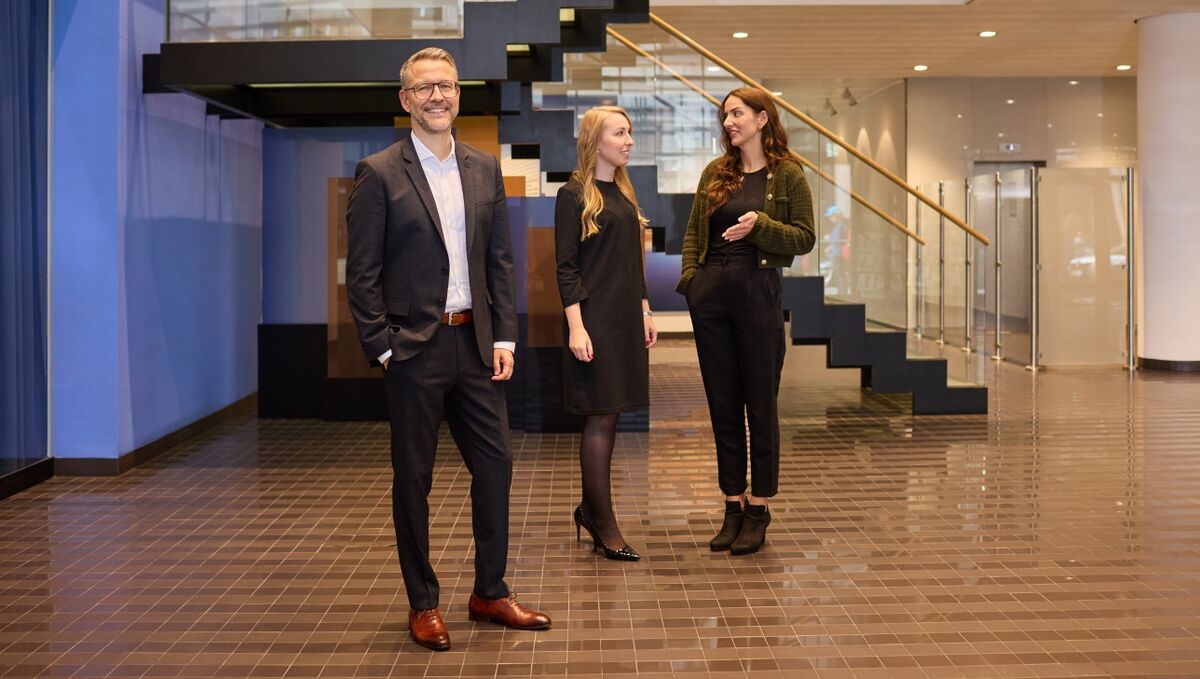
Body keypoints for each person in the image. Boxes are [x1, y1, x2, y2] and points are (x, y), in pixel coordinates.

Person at [345, 47, 550, 652]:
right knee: (414, 478)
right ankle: (423, 603)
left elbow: (500, 260)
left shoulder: (484, 168)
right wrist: (383, 348)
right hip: (414, 351)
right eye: (426, 87)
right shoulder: (379, 172)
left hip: (478, 344)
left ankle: (490, 592)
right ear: (405, 99)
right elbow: (362, 275)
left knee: (496, 467)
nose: (439, 96)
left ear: (460, 95)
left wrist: (505, 334)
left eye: (449, 86)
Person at [675, 87, 815, 556]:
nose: (729, 122)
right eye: (725, 115)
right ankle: (732, 505)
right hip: (711, 296)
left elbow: (805, 238)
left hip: (757, 296)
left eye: (736, 113)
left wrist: (760, 225)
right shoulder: (716, 172)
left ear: (761, 119)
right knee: (722, 405)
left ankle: (759, 507)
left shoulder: (787, 174)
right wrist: (692, 283)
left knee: (760, 406)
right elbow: (695, 231)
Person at [554, 106, 657, 562]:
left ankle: (590, 509)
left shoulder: (622, 193)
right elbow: (565, 266)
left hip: (623, 319)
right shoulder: (573, 194)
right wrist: (576, 326)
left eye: (630, 132)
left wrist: (645, 308)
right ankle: (603, 522)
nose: (629, 140)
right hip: (593, 322)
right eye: (621, 132)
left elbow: (631, 264)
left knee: (611, 417)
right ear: (597, 141)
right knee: (599, 417)